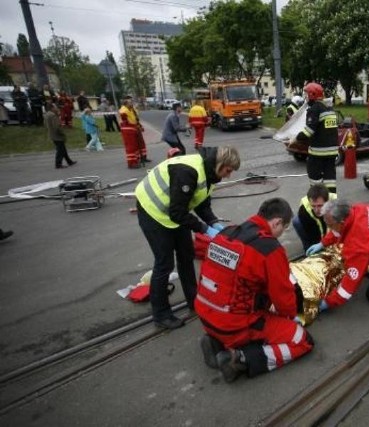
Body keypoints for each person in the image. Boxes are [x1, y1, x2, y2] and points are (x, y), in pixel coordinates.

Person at [195, 197, 313, 383]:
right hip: (234, 325)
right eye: (283, 228)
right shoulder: (269, 249)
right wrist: (292, 318)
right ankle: (239, 358)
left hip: (206, 315)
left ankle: (216, 342)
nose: (281, 234)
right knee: (301, 339)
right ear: (277, 222)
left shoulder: (227, 233)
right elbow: (284, 299)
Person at [135, 146, 241, 329]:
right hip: (152, 210)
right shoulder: (188, 171)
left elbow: (201, 204)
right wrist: (204, 228)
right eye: (228, 170)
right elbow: (177, 212)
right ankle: (161, 315)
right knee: (164, 263)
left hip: (175, 212)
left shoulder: (211, 173)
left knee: (186, 255)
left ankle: (194, 300)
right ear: (221, 164)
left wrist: (214, 222)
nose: (228, 175)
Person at [290, 82, 339, 193]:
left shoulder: (314, 109)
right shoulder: (329, 108)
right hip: (332, 152)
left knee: (314, 177)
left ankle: (316, 198)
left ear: (312, 95)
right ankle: (331, 202)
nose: (305, 97)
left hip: (318, 153)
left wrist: (295, 139)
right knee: (330, 179)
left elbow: (308, 132)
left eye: (306, 94)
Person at [292, 184, 337, 251]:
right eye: (313, 206)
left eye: (320, 206)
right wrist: (319, 245)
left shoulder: (337, 204)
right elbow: (312, 233)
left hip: (333, 227)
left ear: (327, 201)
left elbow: (340, 229)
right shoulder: (304, 209)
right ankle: (308, 248)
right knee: (296, 221)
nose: (316, 210)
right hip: (314, 228)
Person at [119, 95, 150, 168]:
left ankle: (141, 158)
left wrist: (139, 126)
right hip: (129, 131)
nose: (132, 103)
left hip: (134, 129)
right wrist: (134, 127)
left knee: (139, 145)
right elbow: (126, 122)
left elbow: (135, 119)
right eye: (130, 102)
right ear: (126, 103)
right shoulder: (123, 110)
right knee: (131, 147)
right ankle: (132, 163)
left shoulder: (131, 109)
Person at [44, 102, 76, 169]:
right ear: (52, 108)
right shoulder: (52, 115)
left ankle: (69, 161)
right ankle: (58, 164)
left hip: (52, 134)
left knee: (63, 149)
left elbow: (46, 125)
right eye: (55, 107)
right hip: (57, 136)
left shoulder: (47, 114)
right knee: (60, 150)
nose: (56, 108)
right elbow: (57, 126)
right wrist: (62, 133)